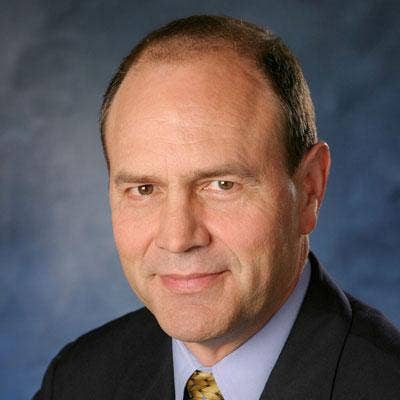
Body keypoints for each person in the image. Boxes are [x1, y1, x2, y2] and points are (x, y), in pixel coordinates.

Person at [33, 15, 400, 400]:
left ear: (309, 189)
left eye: (222, 185)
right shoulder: (76, 381)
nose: (178, 238)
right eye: (144, 189)